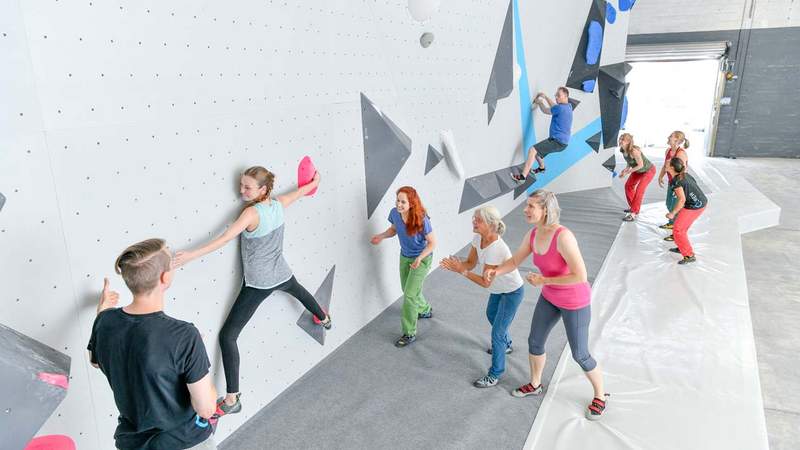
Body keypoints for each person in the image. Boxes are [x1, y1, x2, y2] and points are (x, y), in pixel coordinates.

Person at [173, 166, 330, 416]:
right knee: (299, 291)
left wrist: (190, 255)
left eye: (247, 187)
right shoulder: (277, 204)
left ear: (263, 189)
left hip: (259, 283)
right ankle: (324, 318)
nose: (241, 190)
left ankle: (233, 399)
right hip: (282, 273)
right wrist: (314, 182)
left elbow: (224, 239)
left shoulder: (250, 213)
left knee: (227, 337)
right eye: (241, 185)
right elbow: (300, 193)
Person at [486, 190, 609, 420]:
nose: (526, 209)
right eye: (527, 205)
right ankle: (535, 384)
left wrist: (544, 280)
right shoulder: (533, 235)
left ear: (546, 210)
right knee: (535, 341)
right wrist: (496, 270)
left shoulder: (563, 237)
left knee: (580, 354)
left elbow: (580, 276)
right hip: (551, 297)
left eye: (531, 206)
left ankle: (600, 395)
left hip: (575, 301)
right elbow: (514, 261)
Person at [88, 239, 218, 449]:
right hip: (181, 442)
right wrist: (197, 359)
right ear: (165, 278)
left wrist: (102, 311)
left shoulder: (104, 322)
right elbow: (206, 409)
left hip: (130, 444)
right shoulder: (184, 336)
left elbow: (96, 361)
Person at [440, 206, 525, 388]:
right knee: (491, 315)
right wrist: (456, 265)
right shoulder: (478, 237)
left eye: (477, 220)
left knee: (497, 332)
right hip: (498, 289)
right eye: (474, 218)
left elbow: (486, 282)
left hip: (512, 292)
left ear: (490, 224)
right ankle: (507, 344)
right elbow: (471, 263)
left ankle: (495, 374)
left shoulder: (496, 248)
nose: (473, 222)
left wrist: (461, 271)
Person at [370, 186, 436, 348]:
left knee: (409, 296)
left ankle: (409, 333)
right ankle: (425, 309)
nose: (399, 204)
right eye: (398, 200)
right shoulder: (395, 213)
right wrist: (382, 236)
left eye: (403, 202)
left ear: (412, 203)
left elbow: (433, 243)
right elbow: (393, 230)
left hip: (422, 259)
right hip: (405, 257)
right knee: (407, 289)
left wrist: (420, 258)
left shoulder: (421, 219)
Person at [512, 87, 574, 182]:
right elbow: (555, 107)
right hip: (562, 143)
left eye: (558, 95)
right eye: (556, 95)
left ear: (566, 96)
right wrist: (544, 98)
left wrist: (541, 102)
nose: (556, 97)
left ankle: (522, 177)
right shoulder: (568, 107)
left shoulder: (560, 108)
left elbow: (546, 110)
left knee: (533, 150)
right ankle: (542, 168)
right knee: (538, 155)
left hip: (557, 141)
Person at [665, 158, 708, 264]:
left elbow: (682, 199)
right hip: (698, 201)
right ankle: (682, 247)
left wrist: (673, 213)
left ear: (672, 167)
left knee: (678, 230)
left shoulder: (676, 181)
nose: (665, 163)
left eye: (667, 162)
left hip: (695, 206)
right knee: (681, 228)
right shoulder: (684, 174)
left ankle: (689, 255)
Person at [657, 130, 690, 237]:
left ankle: (677, 230)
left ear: (676, 140)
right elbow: (665, 165)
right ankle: (672, 224)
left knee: (677, 205)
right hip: (672, 182)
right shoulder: (668, 151)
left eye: (671, 136)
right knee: (668, 203)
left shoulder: (680, 153)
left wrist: (678, 185)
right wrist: (661, 176)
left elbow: (683, 171)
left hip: (678, 183)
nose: (668, 137)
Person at [617, 133, 655, 222]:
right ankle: (634, 208)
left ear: (628, 142)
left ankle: (633, 213)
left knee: (639, 190)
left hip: (648, 170)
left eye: (623, 139)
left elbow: (641, 165)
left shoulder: (634, 151)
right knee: (628, 186)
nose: (621, 141)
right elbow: (629, 162)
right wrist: (625, 170)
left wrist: (627, 172)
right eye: (620, 139)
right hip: (638, 170)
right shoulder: (623, 150)